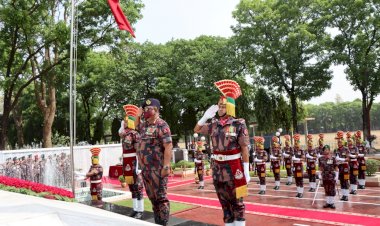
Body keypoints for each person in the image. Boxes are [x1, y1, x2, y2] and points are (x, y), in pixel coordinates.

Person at [194, 79, 250, 226]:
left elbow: (244, 148)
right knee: (224, 203)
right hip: (218, 167)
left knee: (238, 202)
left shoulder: (239, 124)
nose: (220, 109)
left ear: (230, 107)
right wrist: (205, 116)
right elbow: (197, 130)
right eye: (219, 106)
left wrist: (246, 169)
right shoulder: (213, 124)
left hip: (234, 167)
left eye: (223, 106)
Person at [136, 98, 172, 226]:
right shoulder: (144, 125)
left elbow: (168, 146)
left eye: (147, 109)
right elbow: (136, 126)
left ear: (156, 110)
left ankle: (164, 223)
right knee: (152, 198)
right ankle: (158, 222)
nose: (145, 111)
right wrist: (137, 115)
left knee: (161, 198)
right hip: (146, 169)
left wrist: (166, 166)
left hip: (158, 168)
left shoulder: (162, 125)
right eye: (144, 109)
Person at [119, 104, 144, 219]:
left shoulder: (135, 134)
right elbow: (120, 133)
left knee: (138, 186)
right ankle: (134, 209)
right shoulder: (125, 134)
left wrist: (139, 165)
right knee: (131, 187)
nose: (123, 123)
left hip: (134, 161)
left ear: (130, 121)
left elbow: (139, 149)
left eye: (125, 121)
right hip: (127, 161)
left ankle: (141, 209)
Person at [318, 145, 339, 209]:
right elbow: (320, 167)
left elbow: (336, 167)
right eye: (325, 149)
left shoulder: (333, 158)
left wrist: (337, 176)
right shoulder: (321, 158)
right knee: (326, 189)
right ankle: (328, 202)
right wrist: (319, 174)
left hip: (331, 175)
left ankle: (332, 203)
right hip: (324, 175)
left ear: (329, 150)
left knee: (332, 189)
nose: (326, 151)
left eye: (327, 149)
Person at [334, 131, 350, 201]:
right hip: (339, 167)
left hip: (345, 167)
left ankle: (346, 195)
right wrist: (336, 163)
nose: (339, 143)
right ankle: (343, 195)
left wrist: (340, 159)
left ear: (343, 142)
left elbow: (348, 159)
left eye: (340, 142)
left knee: (345, 181)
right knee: (341, 181)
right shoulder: (336, 150)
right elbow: (334, 159)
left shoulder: (346, 149)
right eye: (338, 142)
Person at [292, 134, 305, 198]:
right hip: (294, 166)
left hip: (299, 166)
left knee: (300, 179)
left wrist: (297, 159)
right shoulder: (293, 150)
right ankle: (298, 192)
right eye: (295, 142)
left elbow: (303, 158)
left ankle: (301, 192)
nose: (296, 144)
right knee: (296, 179)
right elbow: (290, 157)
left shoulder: (301, 150)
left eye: (297, 142)